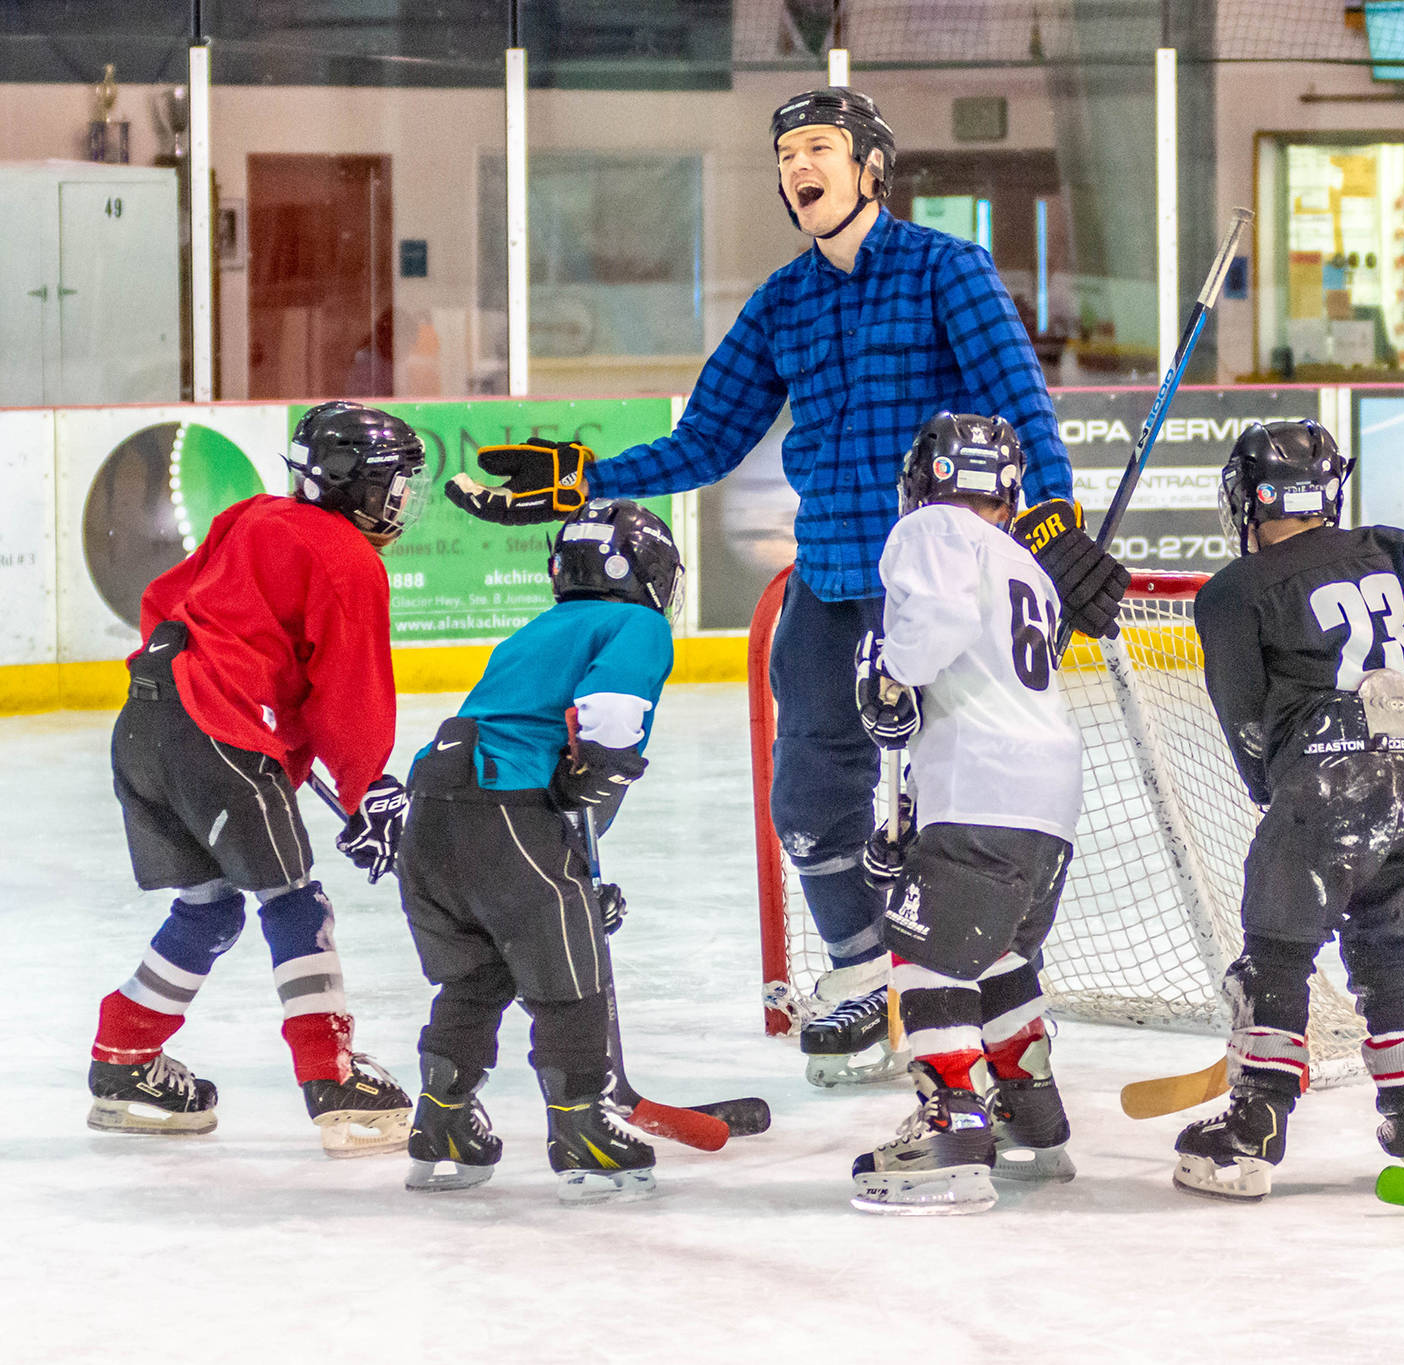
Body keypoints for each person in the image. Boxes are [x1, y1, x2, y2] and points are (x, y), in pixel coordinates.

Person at [441, 87, 1125, 1087]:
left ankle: (979, 976)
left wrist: (1052, 520)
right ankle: (862, 972)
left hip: (937, 585)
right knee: (806, 800)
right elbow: (705, 439)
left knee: (955, 801)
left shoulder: (948, 271)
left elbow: (1019, 409)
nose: (797, 166)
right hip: (831, 584)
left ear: (869, 166)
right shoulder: (782, 302)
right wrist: (587, 482)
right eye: (785, 152)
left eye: (817, 147)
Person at [87, 402, 426, 1157]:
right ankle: (331, 1076)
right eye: (397, 484)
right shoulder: (348, 558)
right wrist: (368, 782)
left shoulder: (253, 515)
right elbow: (351, 692)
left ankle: (124, 1057)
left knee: (210, 909)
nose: (404, 500)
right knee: (293, 900)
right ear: (360, 487)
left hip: (144, 722)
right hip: (219, 734)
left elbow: (164, 603)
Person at [1172, 420, 1404, 1202]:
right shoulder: (1397, 549)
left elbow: (1246, 723)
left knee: (1277, 952)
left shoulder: (1233, 591)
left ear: (1250, 496)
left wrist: (1293, 796)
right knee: (1388, 951)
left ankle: (1255, 1127)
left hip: (1324, 782)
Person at [396, 499, 682, 1203]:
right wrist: (571, 860)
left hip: (431, 813)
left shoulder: (536, 630)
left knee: (477, 973)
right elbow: (609, 718)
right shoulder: (636, 623)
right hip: (507, 810)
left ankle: (444, 1123)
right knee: (570, 972)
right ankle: (581, 1125)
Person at [845, 412, 1081, 1214]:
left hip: (984, 784)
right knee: (998, 950)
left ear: (926, 478)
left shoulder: (931, 529)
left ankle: (953, 1117)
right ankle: (1030, 1106)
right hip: (1048, 798)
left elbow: (932, 633)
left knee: (924, 951)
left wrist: (890, 674)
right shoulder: (1027, 563)